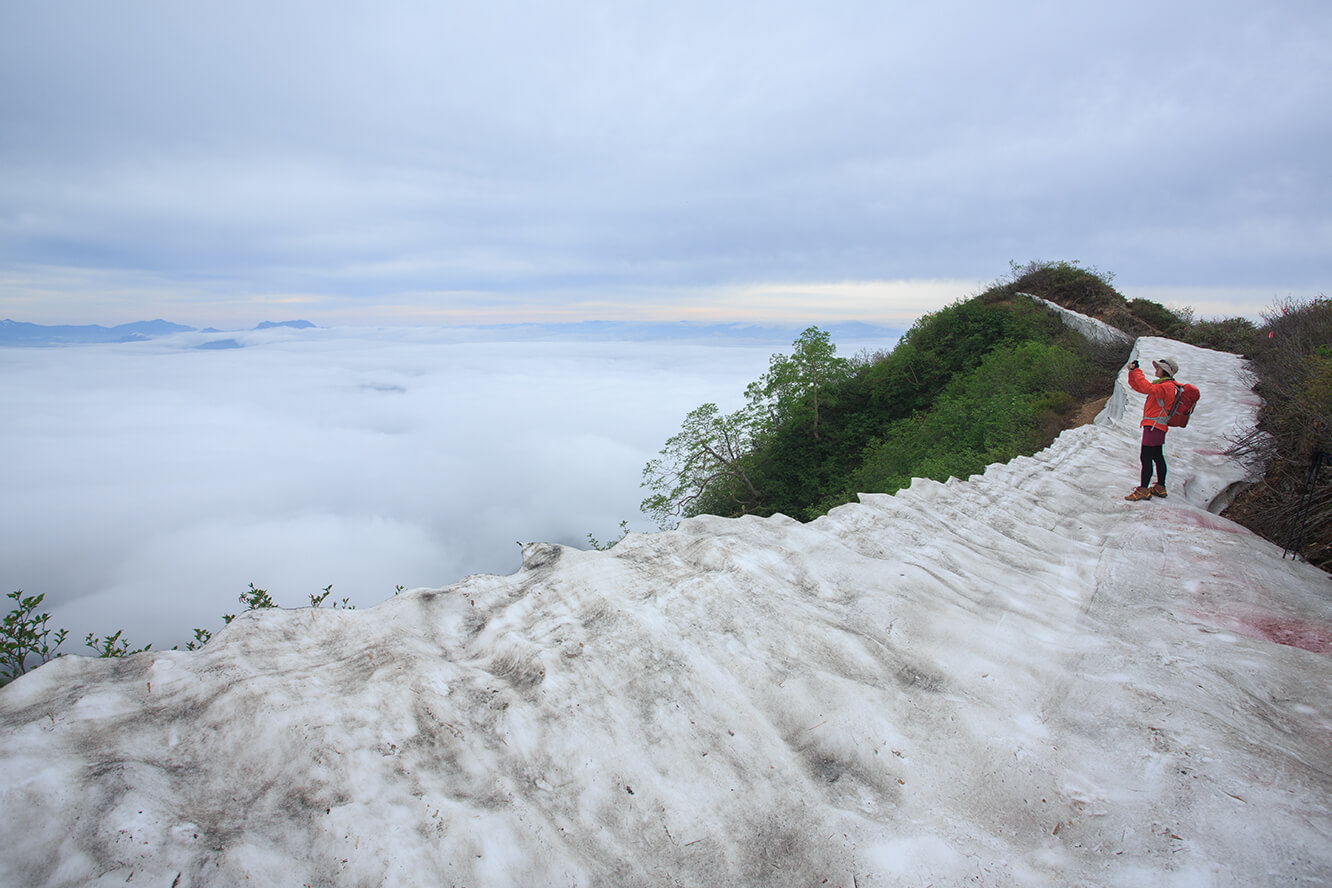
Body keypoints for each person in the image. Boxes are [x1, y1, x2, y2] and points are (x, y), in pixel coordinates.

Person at [1125, 356, 1181, 501]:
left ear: (1165, 371)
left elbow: (1145, 387)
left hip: (1154, 426)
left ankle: (1143, 489)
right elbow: (1139, 387)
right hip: (1157, 427)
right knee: (1157, 456)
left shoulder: (1166, 387)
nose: (1156, 370)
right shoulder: (1166, 385)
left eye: (1158, 368)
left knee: (1146, 457)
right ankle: (1160, 487)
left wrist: (1137, 371)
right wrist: (1132, 373)